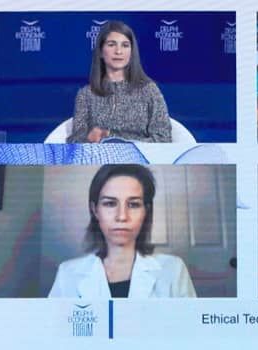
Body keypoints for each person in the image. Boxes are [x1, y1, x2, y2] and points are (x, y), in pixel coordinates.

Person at [49, 164, 197, 299]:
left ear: (146, 211)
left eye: (133, 204)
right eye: (110, 203)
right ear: (95, 210)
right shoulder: (67, 274)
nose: (122, 216)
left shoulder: (173, 270)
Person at [67, 21, 172, 143]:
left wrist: (114, 138)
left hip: (140, 155)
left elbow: (163, 138)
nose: (118, 51)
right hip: (99, 155)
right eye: (111, 45)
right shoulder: (86, 94)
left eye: (125, 45)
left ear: (132, 52)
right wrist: (88, 138)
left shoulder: (149, 90)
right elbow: (74, 141)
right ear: (100, 51)